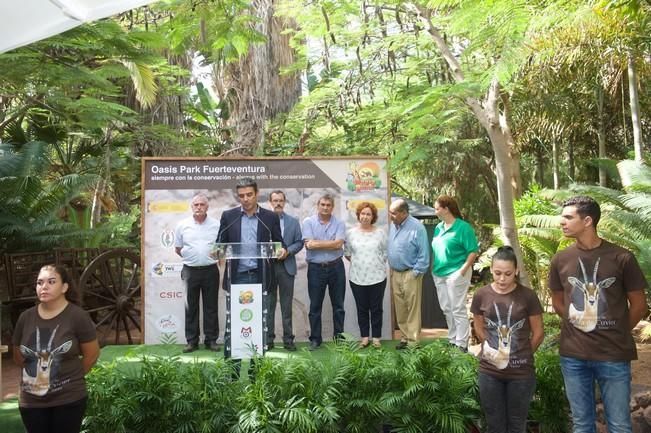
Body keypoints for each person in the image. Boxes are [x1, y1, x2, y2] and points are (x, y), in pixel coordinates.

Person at [549, 196, 648, 433]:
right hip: (573, 356)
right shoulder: (561, 259)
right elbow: (558, 300)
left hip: (612, 354)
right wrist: (578, 323)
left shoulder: (622, 257)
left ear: (587, 221)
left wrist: (617, 330)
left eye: (568, 217)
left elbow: (639, 304)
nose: (561, 222)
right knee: (582, 424)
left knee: (620, 424)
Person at [12, 264, 100, 433]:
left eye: (51, 282)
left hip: (68, 398)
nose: (44, 286)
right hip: (31, 401)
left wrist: (69, 378)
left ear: (64, 287)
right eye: (39, 282)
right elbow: (18, 356)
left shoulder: (77, 316)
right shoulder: (25, 317)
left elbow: (92, 354)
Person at [471, 246, 544, 433]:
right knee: (494, 424)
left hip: (521, 374)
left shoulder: (528, 296)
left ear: (516, 272)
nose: (502, 279)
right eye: (497, 273)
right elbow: (478, 324)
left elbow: (538, 333)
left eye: (508, 274)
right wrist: (488, 345)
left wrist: (523, 354)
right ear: (491, 270)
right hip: (489, 371)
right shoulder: (481, 295)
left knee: (516, 424)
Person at [217, 178, 286, 368]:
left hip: (261, 276)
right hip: (236, 277)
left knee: (260, 325)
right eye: (241, 196)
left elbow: (280, 244)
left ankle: (258, 372)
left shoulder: (269, 218)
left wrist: (282, 251)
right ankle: (232, 372)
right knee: (234, 324)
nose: (245, 199)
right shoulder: (229, 216)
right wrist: (217, 251)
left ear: (257, 193)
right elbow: (220, 244)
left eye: (249, 195)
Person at [431, 195, 479, 352]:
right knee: (446, 308)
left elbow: (473, 251)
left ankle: (462, 343)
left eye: (437, 208)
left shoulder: (463, 227)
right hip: (439, 273)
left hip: (456, 273)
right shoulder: (438, 228)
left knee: (457, 308)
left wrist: (462, 271)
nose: (435, 210)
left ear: (446, 209)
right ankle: (452, 339)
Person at [174, 192, 221, 353]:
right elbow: (178, 249)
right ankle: (192, 341)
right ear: (191, 207)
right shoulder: (182, 225)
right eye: (196, 205)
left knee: (211, 307)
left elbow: (221, 248)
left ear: (207, 207)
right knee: (191, 307)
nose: (199, 207)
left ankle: (211, 340)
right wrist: (193, 258)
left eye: (202, 205)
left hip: (210, 270)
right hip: (189, 271)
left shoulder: (216, 225)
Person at [303, 193, 347, 350]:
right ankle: (315, 339)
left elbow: (338, 245)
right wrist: (332, 243)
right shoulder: (308, 222)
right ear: (318, 206)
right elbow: (309, 245)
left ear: (332, 207)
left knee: (339, 306)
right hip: (316, 269)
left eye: (328, 205)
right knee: (315, 306)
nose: (325, 207)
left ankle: (339, 339)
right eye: (323, 204)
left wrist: (318, 243)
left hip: (336, 267)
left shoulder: (340, 223)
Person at [388, 198, 430, 349]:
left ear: (404, 213)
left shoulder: (417, 228)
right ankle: (405, 338)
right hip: (396, 273)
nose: (390, 216)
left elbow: (424, 254)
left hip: (411, 273)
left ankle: (413, 342)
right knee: (400, 308)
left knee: (412, 308)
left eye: (393, 213)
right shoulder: (394, 225)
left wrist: (416, 272)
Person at [345, 201, 387, 348]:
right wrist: (361, 263)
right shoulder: (350, 233)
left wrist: (374, 264)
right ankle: (364, 337)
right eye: (363, 213)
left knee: (376, 308)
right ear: (358, 215)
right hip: (357, 277)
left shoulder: (381, 233)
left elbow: (385, 253)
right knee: (361, 309)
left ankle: (376, 337)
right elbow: (348, 254)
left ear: (373, 216)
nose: (365, 216)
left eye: (368, 214)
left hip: (377, 277)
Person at [267, 190, 303, 351]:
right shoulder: (263, 220)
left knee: (286, 305)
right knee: (269, 305)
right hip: (269, 267)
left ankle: (288, 340)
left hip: (287, 266)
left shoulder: (293, 222)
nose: (278, 203)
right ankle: (268, 339)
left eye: (280, 200)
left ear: (285, 202)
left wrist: (287, 251)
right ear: (270, 202)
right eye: (275, 200)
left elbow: (299, 242)